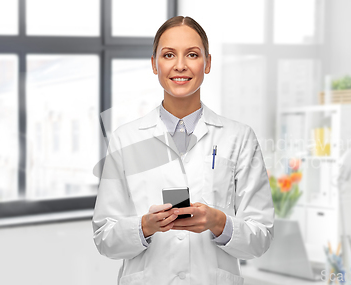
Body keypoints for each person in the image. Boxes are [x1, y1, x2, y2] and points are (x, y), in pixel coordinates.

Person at [92, 16, 274, 285]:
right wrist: (145, 227)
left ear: (207, 63)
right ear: (154, 64)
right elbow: (105, 238)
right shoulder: (125, 139)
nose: (180, 65)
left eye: (192, 54)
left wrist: (217, 221)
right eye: (168, 55)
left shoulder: (239, 137)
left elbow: (260, 238)